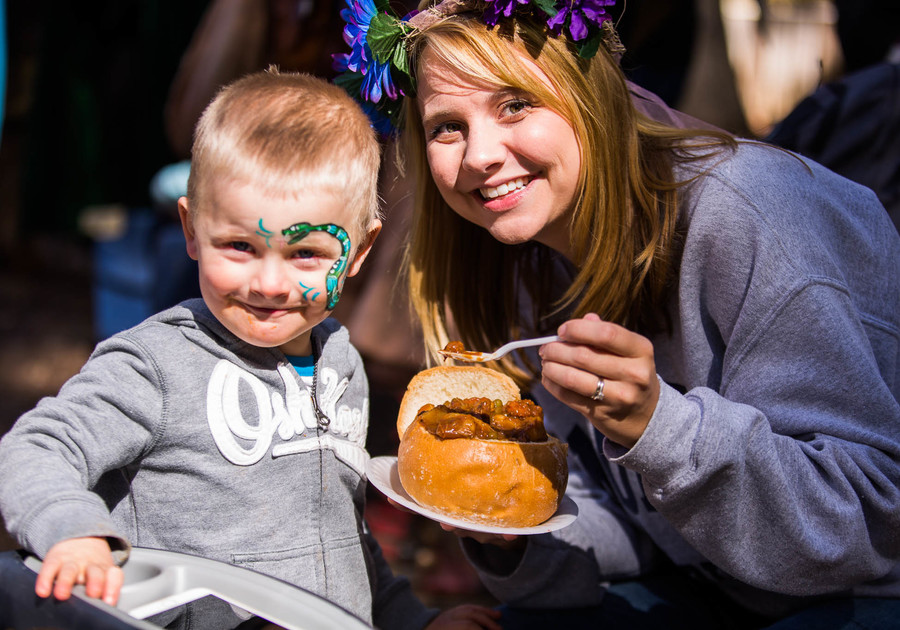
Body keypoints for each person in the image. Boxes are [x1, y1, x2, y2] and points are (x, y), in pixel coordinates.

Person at [332, 0, 900, 628]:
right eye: (447, 126)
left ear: (589, 92)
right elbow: (640, 529)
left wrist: (659, 426)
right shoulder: (530, 257)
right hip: (709, 590)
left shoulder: (751, 214)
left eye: (515, 104)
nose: (479, 156)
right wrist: (511, 533)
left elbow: (868, 528)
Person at [0, 69, 501, 630]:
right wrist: (75, 532)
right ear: (191, 229)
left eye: (307, 254)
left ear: (359, 251)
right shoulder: (154, 365)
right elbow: (36, 448)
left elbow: (341, 537)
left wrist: (412, 621)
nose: (268, 283)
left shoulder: (341, 364)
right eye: (239, 246)